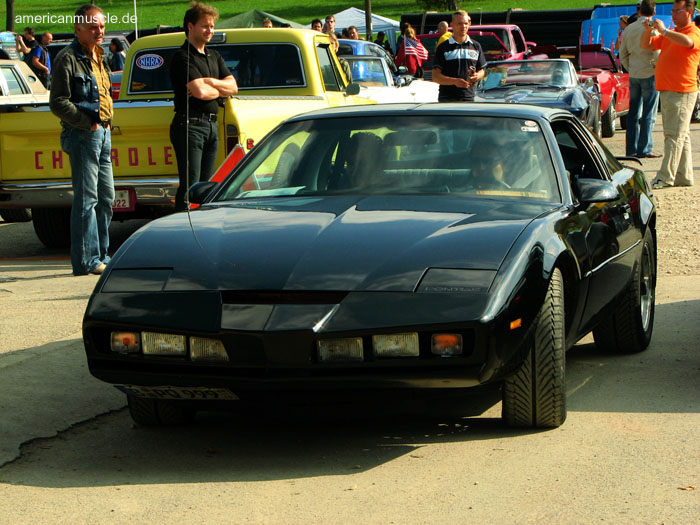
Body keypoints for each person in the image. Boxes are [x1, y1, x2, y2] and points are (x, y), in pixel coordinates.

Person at [49, 5, 114, 276]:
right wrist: (88, 122)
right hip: (83, 135)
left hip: (104, 133)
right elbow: (57, 102)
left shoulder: (100, 55)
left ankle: (102, 255)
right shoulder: (68, 58)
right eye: (93, 27)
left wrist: (104, 124)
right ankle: (87, 261)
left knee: (107, 197)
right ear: (78, 29)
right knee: (87, 199)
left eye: (102, 26)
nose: (99, 31)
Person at [169, 2, 238, 212]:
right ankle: (183, 224)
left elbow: (233, 87)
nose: (210, 30)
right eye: (205, 26)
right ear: (190, 26)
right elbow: (199, 92)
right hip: (190, 125)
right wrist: (219, 89)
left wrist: (210, 82)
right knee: (190, 185)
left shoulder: (214, 56)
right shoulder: (183, 57)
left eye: (212, 26)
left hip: (211, 126)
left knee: (205, 187)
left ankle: (199, 222)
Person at [641, 0, 700, 188]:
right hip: (669, 89)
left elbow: (688, 42)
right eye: (672, 11)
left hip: (682, 90)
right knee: (681, 135)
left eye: (677, 11)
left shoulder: (693, 31)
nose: (673, 14)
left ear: (689, 12)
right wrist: (647, 30)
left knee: (674, 136)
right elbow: (647, 45)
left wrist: (665, 31)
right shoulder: (674, 33)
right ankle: (684, 176)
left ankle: (666, 176)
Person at [619, 0, 660, 159]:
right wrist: (657, 68)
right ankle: (645, 148)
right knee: (649, 112)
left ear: (639, 11)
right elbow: (656, 51)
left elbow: (622, 53)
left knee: (633, 113)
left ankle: (631, 149)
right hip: (649, 72)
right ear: (654, 12)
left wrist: (630, 68)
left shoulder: (629, 28)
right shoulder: (652, 28)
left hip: (634, 72)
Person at [432, 10, 486, 102]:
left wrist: (477, 76)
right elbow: (435, 77)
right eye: (459, 23)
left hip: (469, 97)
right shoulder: (443, 47)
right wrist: (454, 81)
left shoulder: (476, 46)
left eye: (466, 23)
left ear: (469, 24)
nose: (463, 26)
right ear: (452, 25)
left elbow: (482, 70)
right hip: (447, 99)